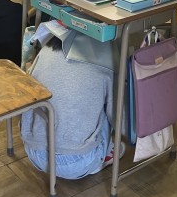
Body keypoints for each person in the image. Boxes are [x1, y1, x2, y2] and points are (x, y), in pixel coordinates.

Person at [20, 21, 123, 179]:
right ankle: (100, 158)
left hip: (34, 152)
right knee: (107, 103)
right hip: (78, 162)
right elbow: (117, 118)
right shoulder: (107, 55)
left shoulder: (47, 46)